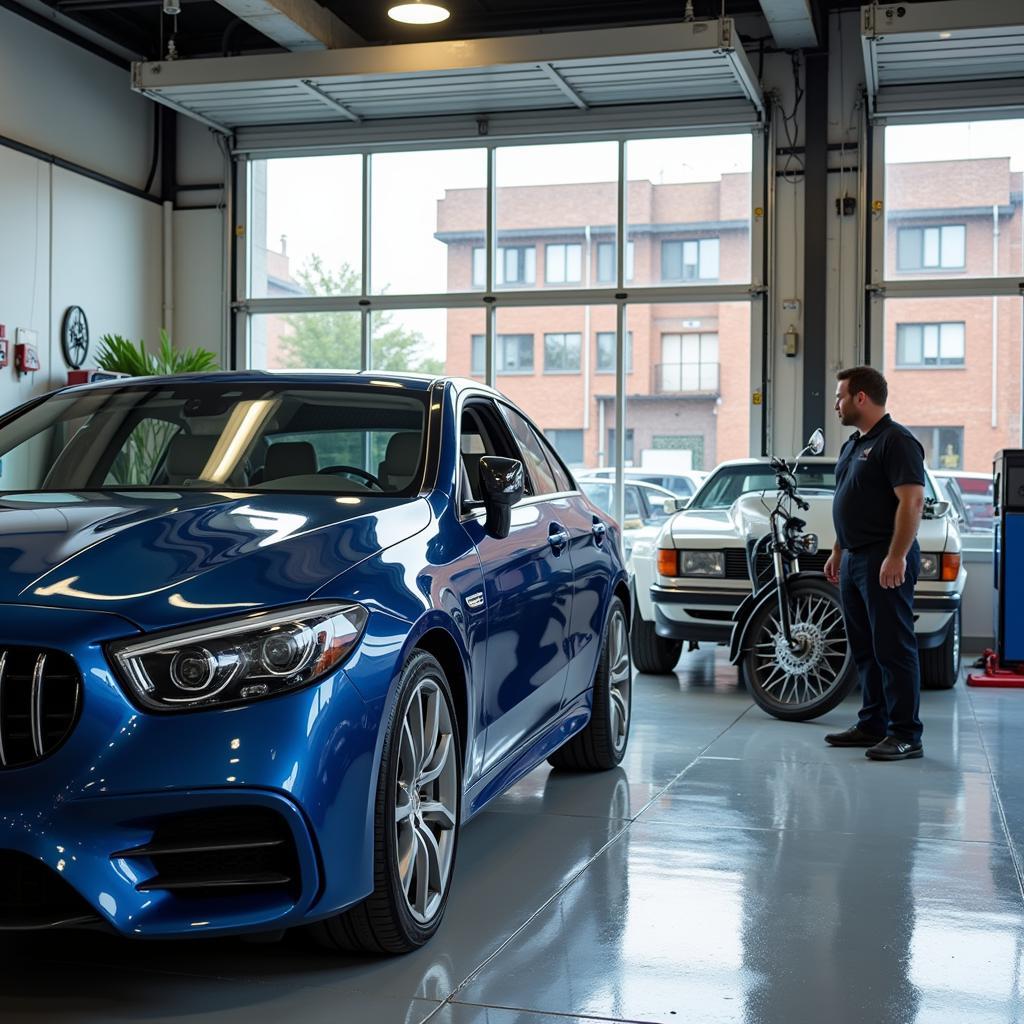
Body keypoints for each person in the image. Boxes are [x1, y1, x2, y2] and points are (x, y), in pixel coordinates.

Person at [823, 366, 927, 761]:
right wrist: (837, 549)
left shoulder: (896, 441)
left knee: (892, 646)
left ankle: (905, 734)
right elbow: (850, 501)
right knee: (864, 647)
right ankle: (873, 723)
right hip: (853, 557)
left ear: (860, 398)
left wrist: (897, 555)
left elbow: (911, 501)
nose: (836, 403)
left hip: (884, 557)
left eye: (840, 396)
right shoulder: (853, 445)